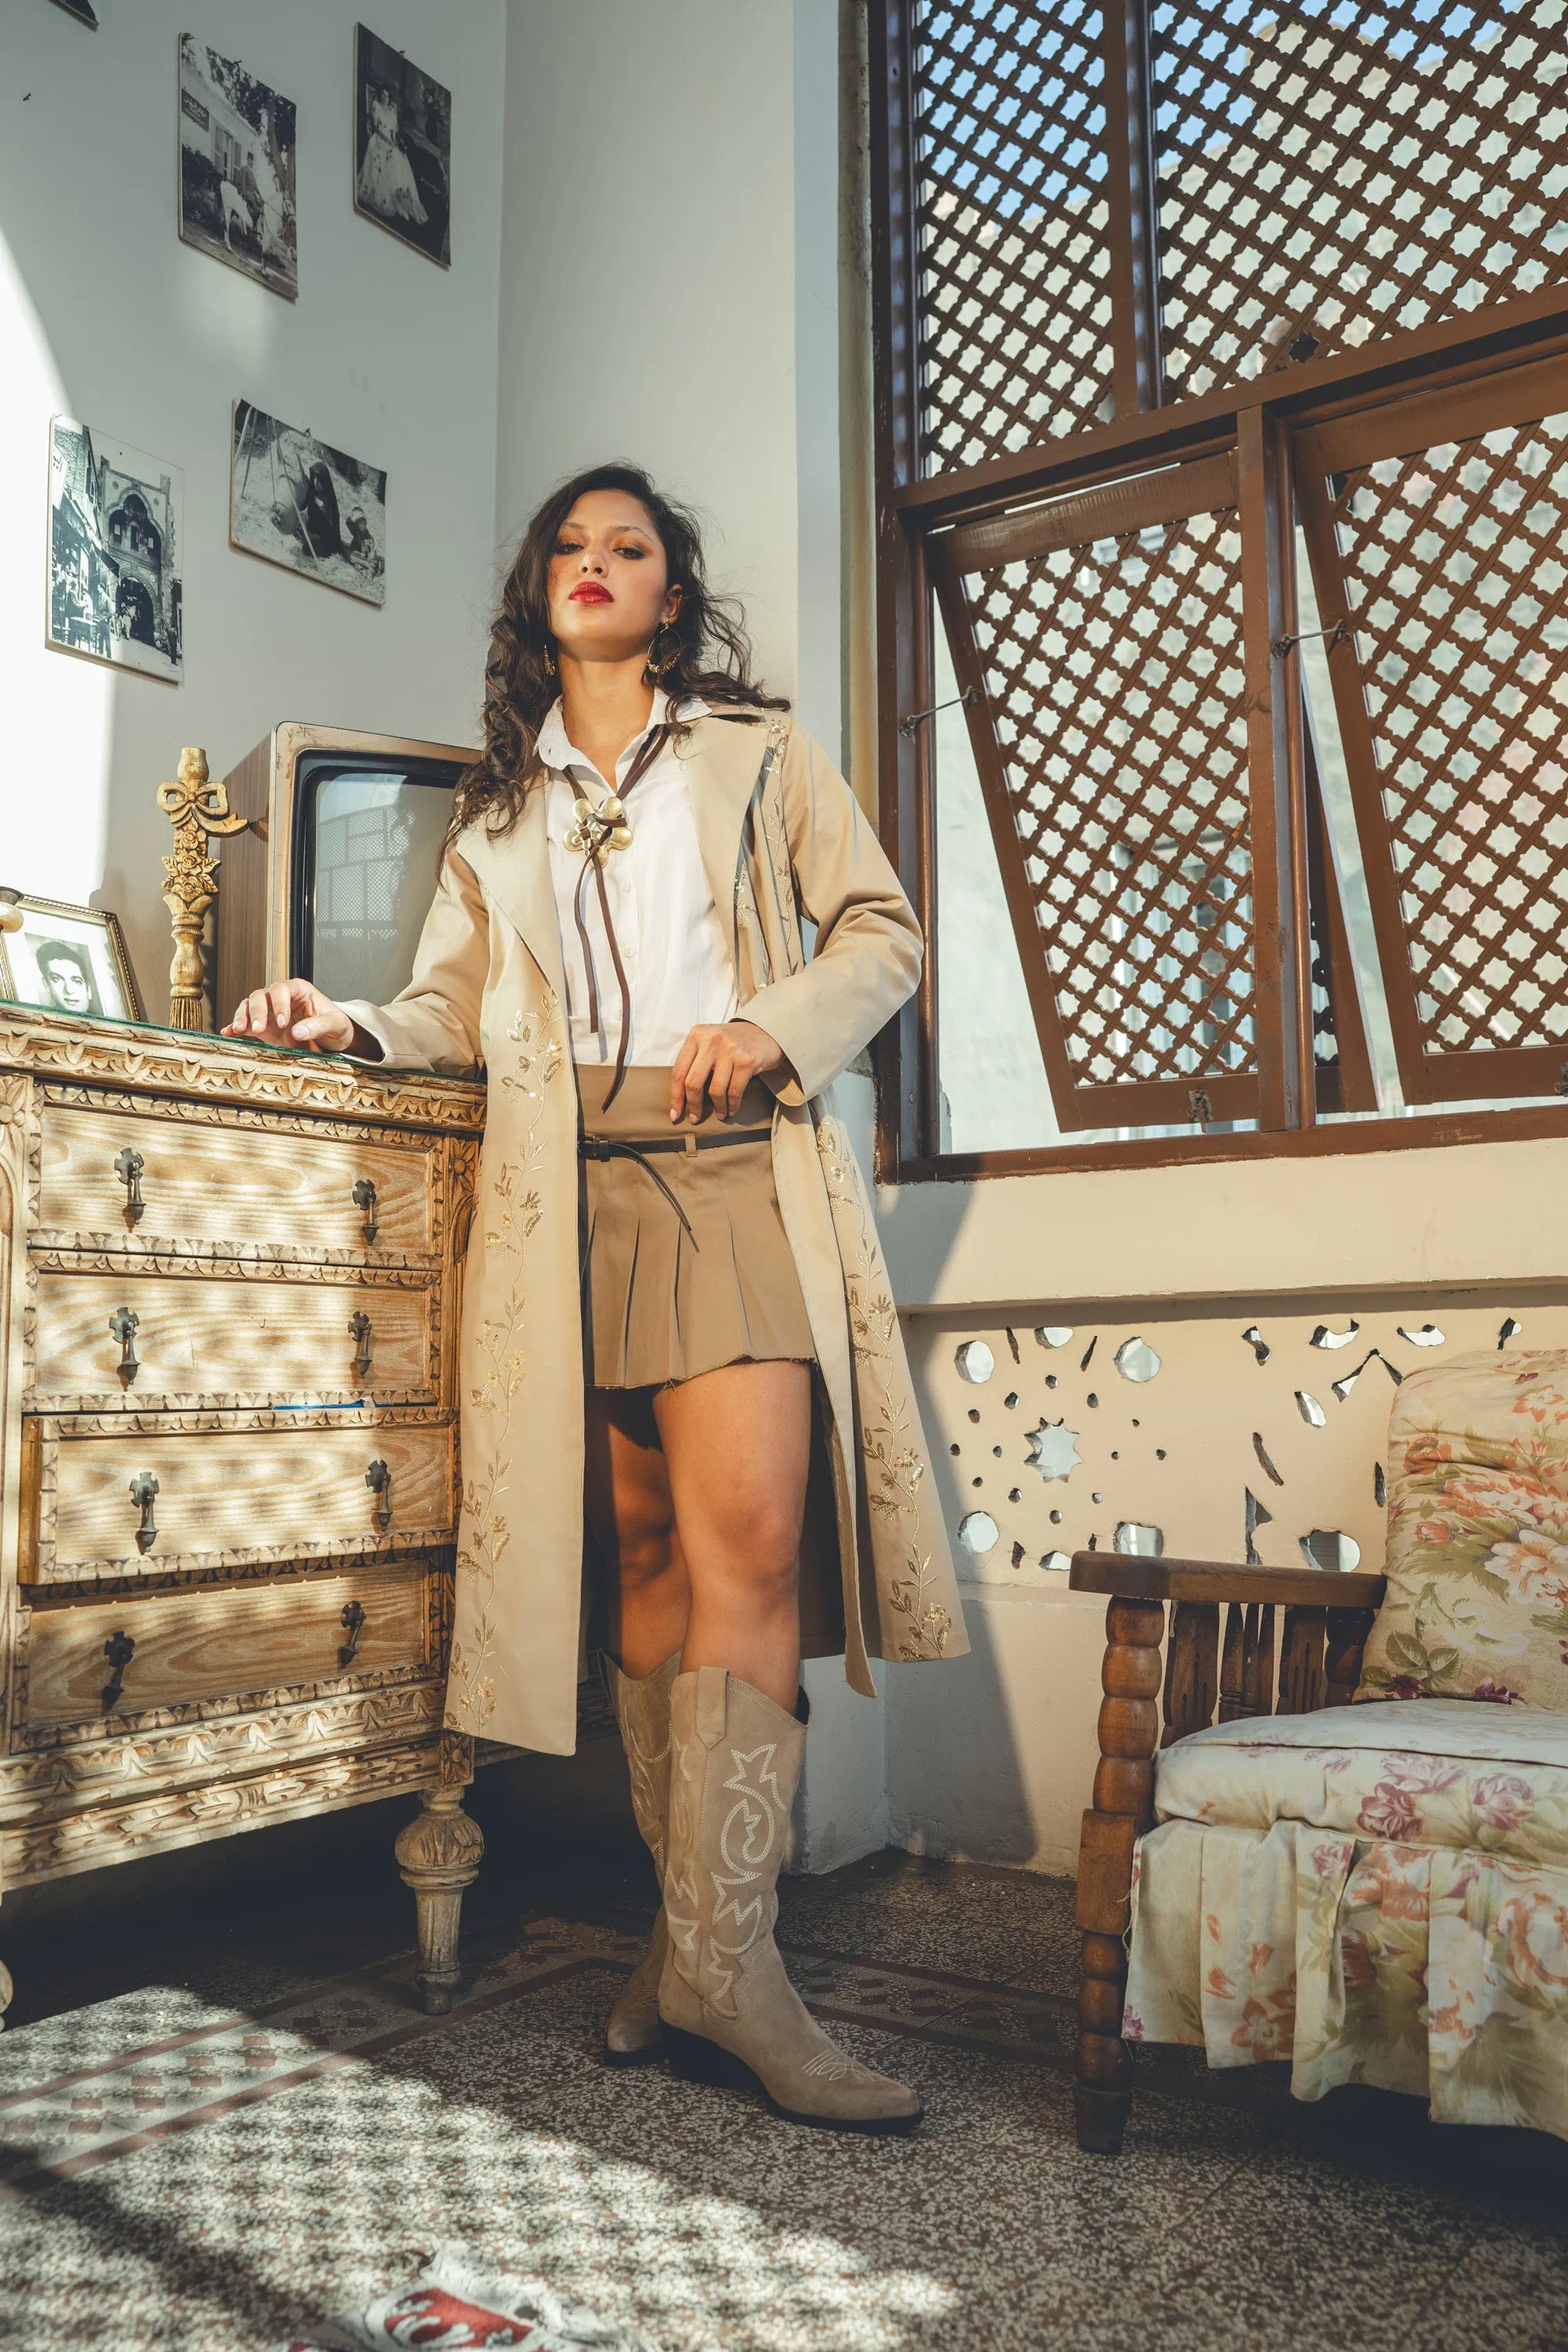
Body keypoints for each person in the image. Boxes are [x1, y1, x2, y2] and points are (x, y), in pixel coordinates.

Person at [222, 463, 967, 2135]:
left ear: (671, 598)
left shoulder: (758, 752)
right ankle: (687, 1951)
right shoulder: (500, 816)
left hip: (724, 1168)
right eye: (566, 543)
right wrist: (348, 1020)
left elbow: (882, 929)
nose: (592, 563)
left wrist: (772, 1024)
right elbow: (445, 1008)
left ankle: (735, 1966)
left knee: (750, 1553)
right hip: (572, 1200)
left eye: (626, 547)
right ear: (537, 596)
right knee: (637, 1566)